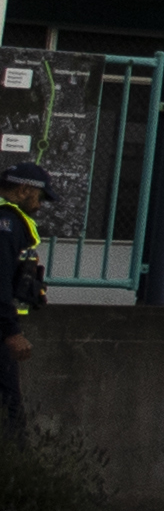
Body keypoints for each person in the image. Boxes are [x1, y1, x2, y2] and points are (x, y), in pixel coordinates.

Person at [0, 157, 48, 442]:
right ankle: (14, 477)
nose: (39, 205)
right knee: (11, 411)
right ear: (24, 190)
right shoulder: (6, 222)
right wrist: (12, 331)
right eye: (39, 197)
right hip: (2, 330)